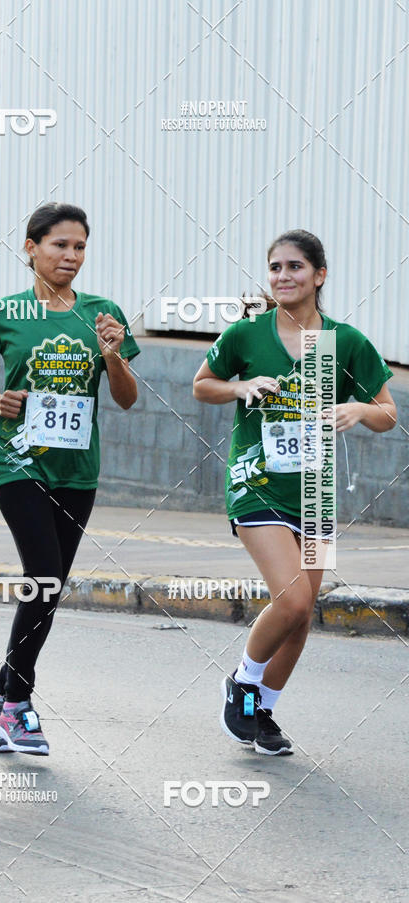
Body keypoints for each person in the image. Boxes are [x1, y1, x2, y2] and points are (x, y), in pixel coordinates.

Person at [193, 230, 396, 756]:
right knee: (292, 598)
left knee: (302, 614)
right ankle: (243, 683)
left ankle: (262, 711)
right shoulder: (247, 334)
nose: (283, 276)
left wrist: (359, 409)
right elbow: (202, 384)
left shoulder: (344, 342)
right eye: (275, 267)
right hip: (256, 482)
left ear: (319, 275)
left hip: (314, 493)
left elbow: (387, 412)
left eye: (295, 267)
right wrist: (240, 386)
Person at [0, 202, 140, 755]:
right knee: (41, 573)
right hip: (15, 459)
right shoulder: (6, 312)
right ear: (31, 248)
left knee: (50, 585)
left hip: (77, 470)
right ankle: (18, 704)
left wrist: (113, 355)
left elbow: (127, 398)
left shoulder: (102, 313)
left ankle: (1, 697)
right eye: (60, 244)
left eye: (79, 246)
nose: (71, 255)